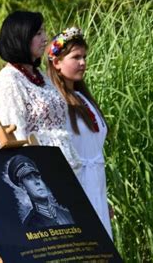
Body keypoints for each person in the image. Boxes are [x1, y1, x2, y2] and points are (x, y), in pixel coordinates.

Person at [0, 11, 81, 172]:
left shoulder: (41, 77)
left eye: (43, 31)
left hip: (65, 169)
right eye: (38, 33)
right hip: (40, 173)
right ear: (20, 38)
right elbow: (14, 136)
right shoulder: (9, 80)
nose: (45, 38)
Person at [47, 27, 112, 238]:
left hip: (96, 187)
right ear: (56, 62)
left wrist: (103, 199)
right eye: (76, 57)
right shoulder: (54, 102)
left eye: (84, 57)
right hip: (76, 189)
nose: (83, 62)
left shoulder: (83, 97)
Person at [7, 154, 75, 229]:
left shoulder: (67, 214)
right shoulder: (30, 225)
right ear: (23, 186)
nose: (37, 182)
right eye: (29, 178)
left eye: (37, 176)